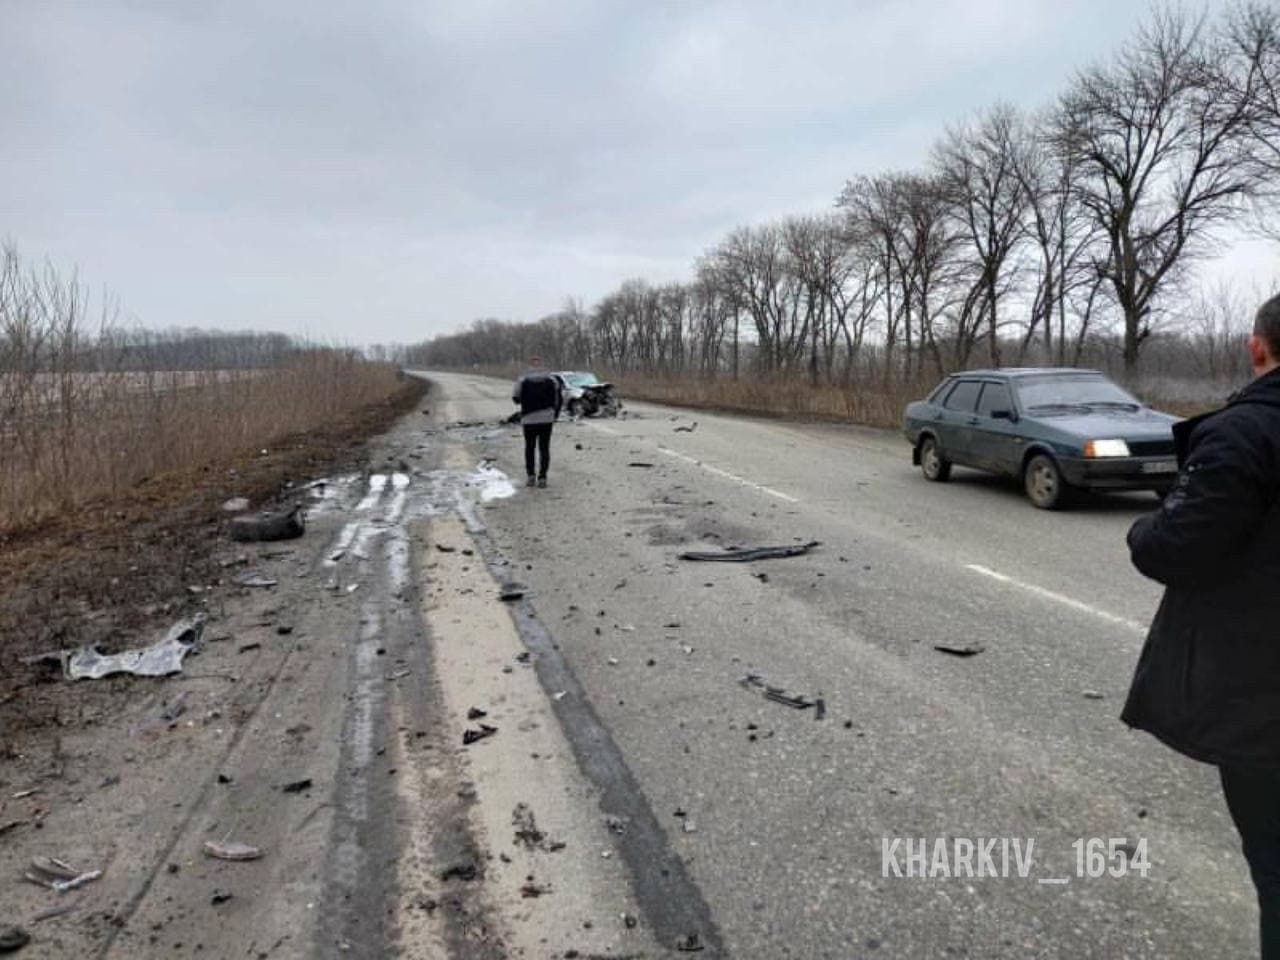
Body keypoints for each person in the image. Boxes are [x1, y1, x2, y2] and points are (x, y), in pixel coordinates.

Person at [1123, 292, 1280, 958]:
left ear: (1256, 347)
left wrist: (1144, 525)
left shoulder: (1247, 433)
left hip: (1264, 697)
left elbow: (1175, 548)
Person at [511, 356, 562, 488]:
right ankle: (543, 478)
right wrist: (555, 414)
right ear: (542, 365)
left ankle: (531, 476)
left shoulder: (522, 379)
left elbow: (515, 398)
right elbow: (558, 398)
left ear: (529, 366)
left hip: (529, 419)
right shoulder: (551, 378)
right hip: (547, 419)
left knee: (529, 447)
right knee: (544, 448)